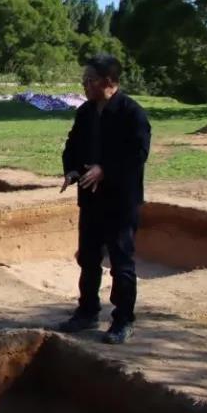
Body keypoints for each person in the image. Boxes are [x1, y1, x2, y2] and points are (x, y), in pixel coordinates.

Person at [58, 54, 151, 345]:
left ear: (109, 82)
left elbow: (137, 155)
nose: (85, 85)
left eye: (90, 80)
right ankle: (87, 311)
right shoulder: (85, 112)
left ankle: (123, 320)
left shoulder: (132, 114)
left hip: (120, 201)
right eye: (84, 80)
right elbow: (72, 144)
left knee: (121, 261)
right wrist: (72, 169)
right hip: (90, 200)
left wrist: (105, 170)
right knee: (88, 257)